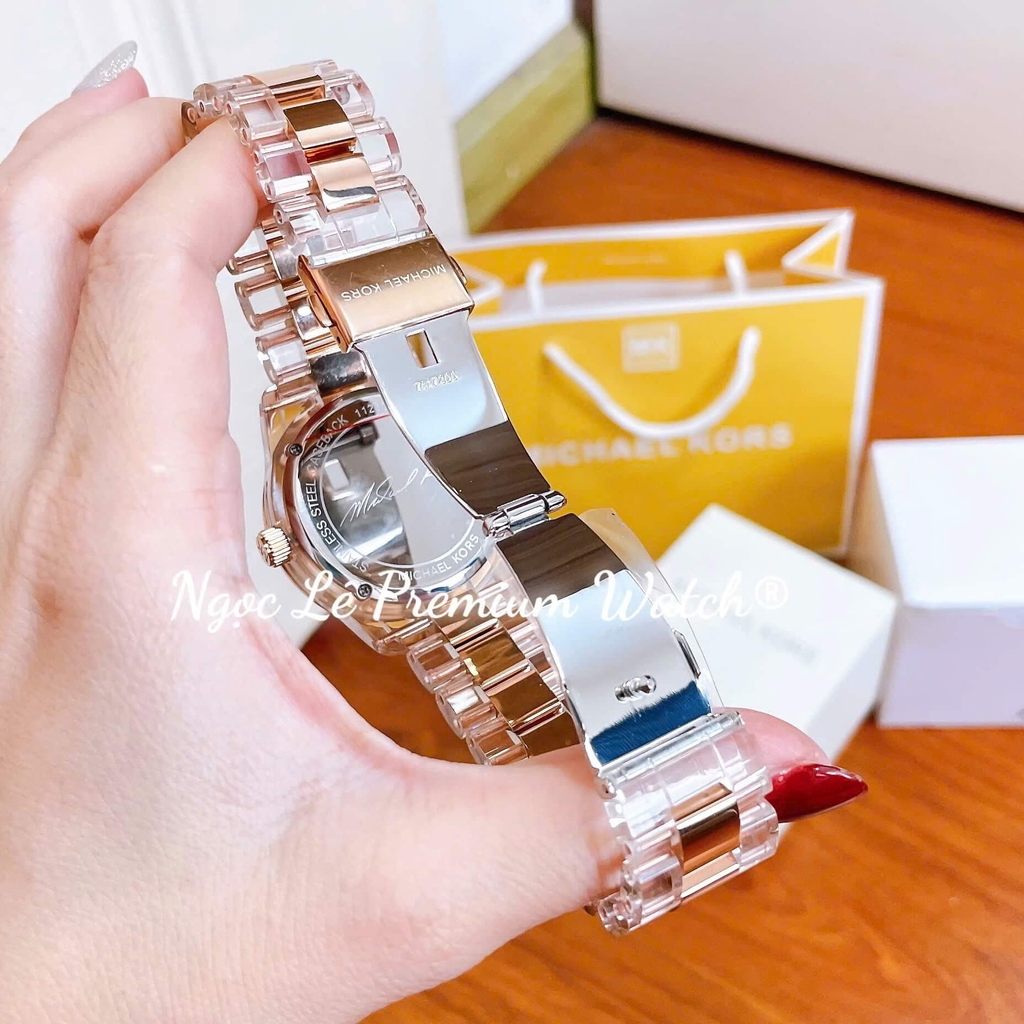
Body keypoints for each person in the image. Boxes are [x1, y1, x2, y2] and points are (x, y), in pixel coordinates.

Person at [0, 46, 866, 1023]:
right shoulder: (360, 548)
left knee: (504, 510)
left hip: (441, 521)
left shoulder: (401, 441)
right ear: (304, 559)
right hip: (407, 565)